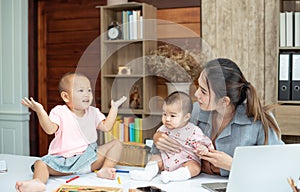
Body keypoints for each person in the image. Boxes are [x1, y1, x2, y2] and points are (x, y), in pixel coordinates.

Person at [153, 58, 284, 177]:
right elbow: (161, 154)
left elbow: (279, 168)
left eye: (203, 91)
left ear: (224, 101)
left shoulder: (259, 121)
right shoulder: (193, 112)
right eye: (198, 86)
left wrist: (233, 165)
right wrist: (158, 138)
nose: (196, 94)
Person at [15, 72, 127, 192]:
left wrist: (114, 109)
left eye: (89, 90)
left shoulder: (93, 112)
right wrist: (40, 111)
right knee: (40, 163)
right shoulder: (59, 111)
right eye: (81, 90)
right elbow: (50, 129)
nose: (87, 94)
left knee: (117, 144)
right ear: (66, 97)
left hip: (89, 158)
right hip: (63, 162)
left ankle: (105, 170)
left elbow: (106, 127)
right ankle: (38, 182)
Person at [130, 91, 214, 183]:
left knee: (195, 168)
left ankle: (172, 176)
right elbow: (156, 147)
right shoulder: (163, 129)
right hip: (166, 159)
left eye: (172, 115)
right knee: (155, 158)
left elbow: (203, 142)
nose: (167, 119)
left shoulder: (193, 130)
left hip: (186, 161)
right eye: (164, 114)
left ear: (186, 117)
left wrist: (203, 149)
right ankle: (147, 174)